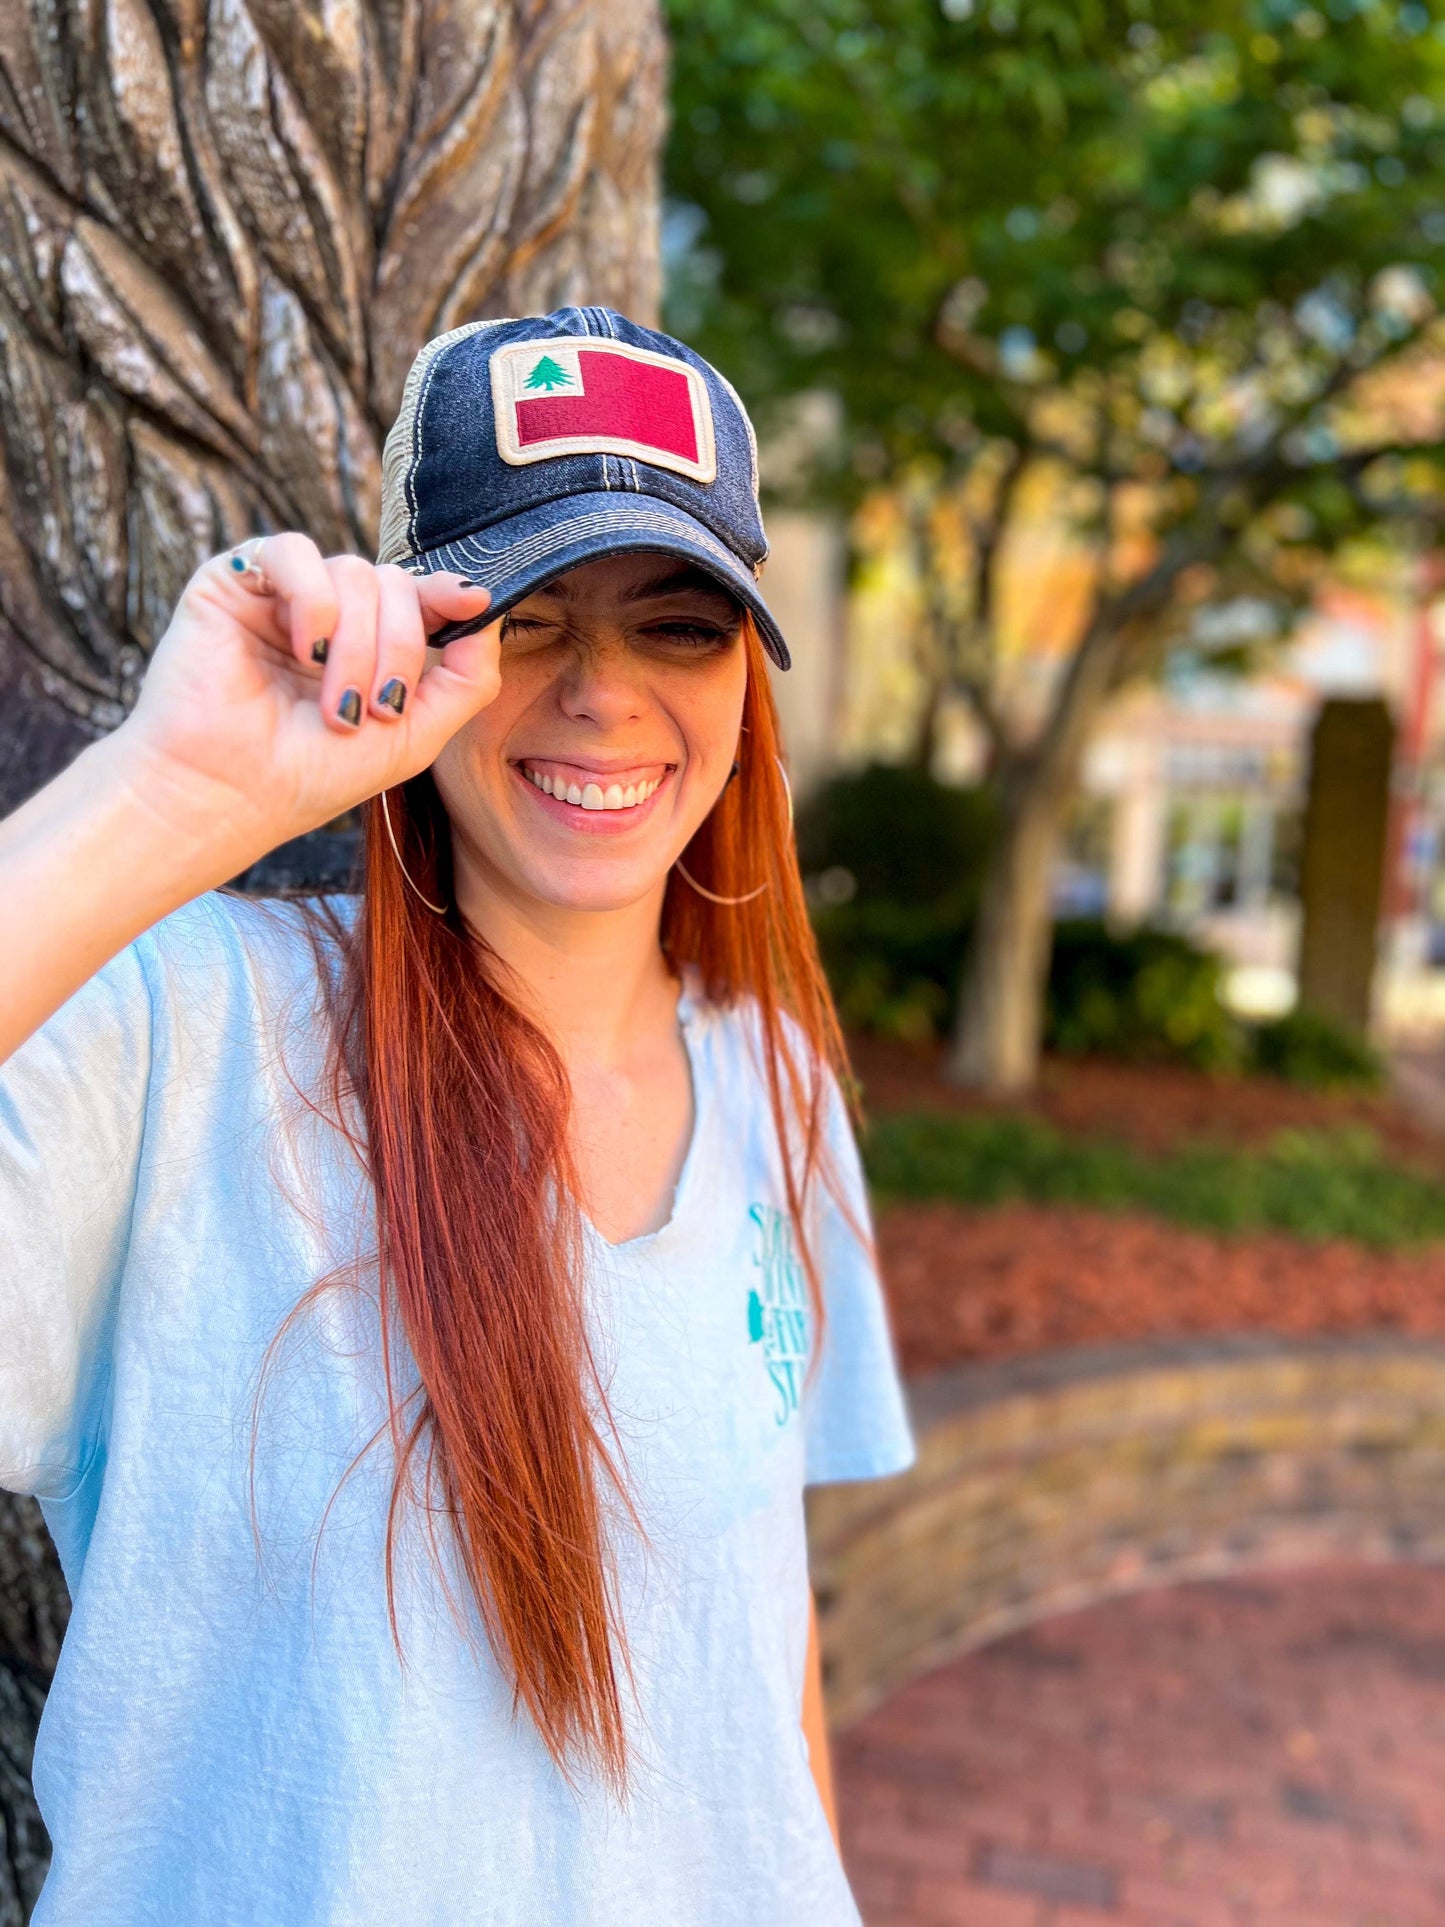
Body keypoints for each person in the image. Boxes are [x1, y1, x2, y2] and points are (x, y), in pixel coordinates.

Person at [0, 307, 914, 1924]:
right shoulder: (189, 1030)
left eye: (679, 625)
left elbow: (762, 1658)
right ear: (427, 637)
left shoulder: (776, 1083)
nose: (603, 694)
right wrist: (171, 794)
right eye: (534, 618)